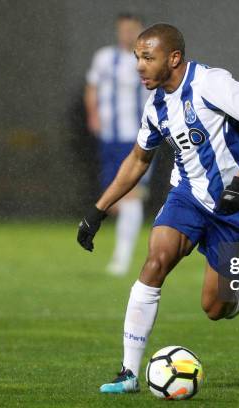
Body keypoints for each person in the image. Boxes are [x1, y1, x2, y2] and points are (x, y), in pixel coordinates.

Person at [77, 23, 239, 394]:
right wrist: (99, 210)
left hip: (236, 206)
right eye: (137, 58)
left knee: (214, 307)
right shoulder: (156, 105)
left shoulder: (211, 84)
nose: (139, 66)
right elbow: (138, 161)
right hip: (187, 195)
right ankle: (127, 373)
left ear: (173, 59)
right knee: (155, 261)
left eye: (147, 58)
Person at [84, 13, 151, 276]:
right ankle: (123, 254)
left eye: (132, 30)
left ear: (141, 31)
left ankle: (121, 260)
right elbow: (92, 87)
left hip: (137, 138)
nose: (127, 34)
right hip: (109, 138)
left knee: (131, 195)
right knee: (112, 202)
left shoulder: (148, 59)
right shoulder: (104, 58)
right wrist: (93, 114)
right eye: (123, 30)